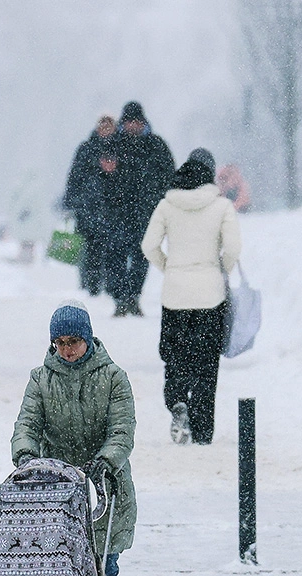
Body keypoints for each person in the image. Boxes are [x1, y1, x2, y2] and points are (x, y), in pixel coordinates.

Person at [11, 302, 138, 576]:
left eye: (74, 342)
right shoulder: (41, 379)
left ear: (88, 339)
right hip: (57, 487)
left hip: (105, 487)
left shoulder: (113, 378)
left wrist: (105, 461)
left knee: (102, 565)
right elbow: (27, 424)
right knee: (55, 562)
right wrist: (25, 456)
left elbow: (122, 430)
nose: (67, 350)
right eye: (60, 343)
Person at [141, 148, 241, 445]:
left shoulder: (166, 205)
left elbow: (149, 246)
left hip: (175, 295)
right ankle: (203, 429)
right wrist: (219, 268)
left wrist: (169, 266)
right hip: (211, 296)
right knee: (206, 363)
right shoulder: (222, 206)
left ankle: (176, 402)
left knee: (175, 357)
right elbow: (233, 248)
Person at [104, 101, 175, 317]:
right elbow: (99, 177)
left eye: (136, 122)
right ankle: (119, 297)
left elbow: (169, 175)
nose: (132, 126)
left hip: (146, 212)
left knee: (142, 255)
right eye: (128, 122)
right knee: (115, 255)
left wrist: (162, 199)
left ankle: (133, 296)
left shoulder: (156, 145)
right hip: (117, 211)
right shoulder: (112, 145)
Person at [62, 114, 117, 295]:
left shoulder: (120, 148)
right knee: (90, 248)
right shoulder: (86, 148)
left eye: (109, 127)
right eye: (103, 126)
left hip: (111, 209)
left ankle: (109, 284)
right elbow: (74, 177)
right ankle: (91, 283)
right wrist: (72, 201)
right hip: (88, 209)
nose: (106, 130)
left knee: (110, 248)